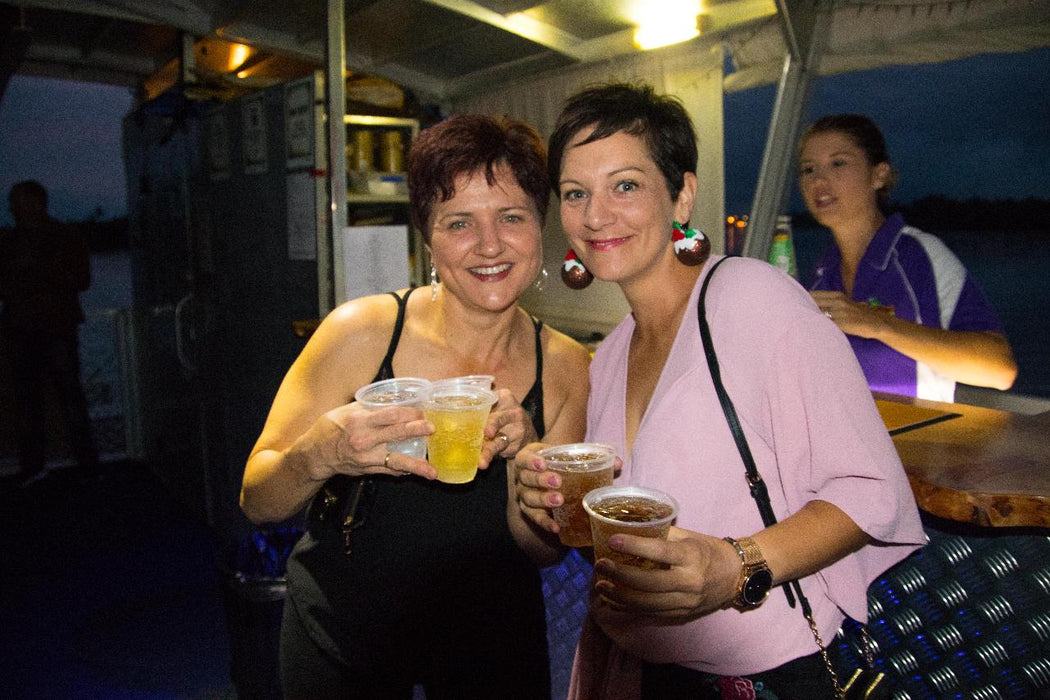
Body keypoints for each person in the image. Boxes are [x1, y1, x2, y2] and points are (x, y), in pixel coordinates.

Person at [512, 83, 926, 699]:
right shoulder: (614, 352)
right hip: (633, 670)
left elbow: (872, 489)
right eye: (576, 193)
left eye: (625, 185)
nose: (595, 216)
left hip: (756, 675)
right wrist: (534, 497)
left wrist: (734, 566)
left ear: (681, 194)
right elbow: (572, 542)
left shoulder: (752, 299)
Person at [239, 114, 591, 698]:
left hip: (491, 635)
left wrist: (524, 459)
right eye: (459, 222)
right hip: (345, 630)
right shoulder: (361, 332)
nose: (489, 245)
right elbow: (257, 501)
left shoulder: (567, 365)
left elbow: (545, 551)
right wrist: (321, 454)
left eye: (511, 216)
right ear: (427, 239)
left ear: (540, 228)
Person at [798, 114, 1017, 402]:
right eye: (808, 169)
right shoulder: (820, 276)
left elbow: (999, 368)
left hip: (915, 431)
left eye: (838, 163)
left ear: (879, 175)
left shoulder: (919, 256)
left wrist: (880, 325)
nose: (818, 180)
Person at [0, 180, 98, 485]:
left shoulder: (65, 236)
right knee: (27, 400)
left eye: (19, 202)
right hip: (21, 329)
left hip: (57, 328)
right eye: (13, 202)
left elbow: (81, 279)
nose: (14, 208)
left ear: (38, 203)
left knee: (69, 395)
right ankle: (34, 466)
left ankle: (87, 464)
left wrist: (39, 272)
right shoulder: (9, 241)